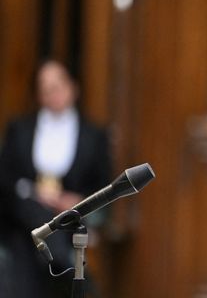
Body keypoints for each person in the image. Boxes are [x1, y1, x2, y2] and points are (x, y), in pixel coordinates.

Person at [0, 59, 112, 297]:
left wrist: (75, 200)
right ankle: (61, 259)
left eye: (59, 85)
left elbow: (104, 187)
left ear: (73, 87)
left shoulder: (94, 136)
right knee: (29, 225)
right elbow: (6, 180)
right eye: (47, 88)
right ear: (39, 95)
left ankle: (54, 246)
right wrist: (35, 193)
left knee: (47, 232)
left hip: (71, 221)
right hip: (23, 220)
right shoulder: (20, 130)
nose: (55, 93)